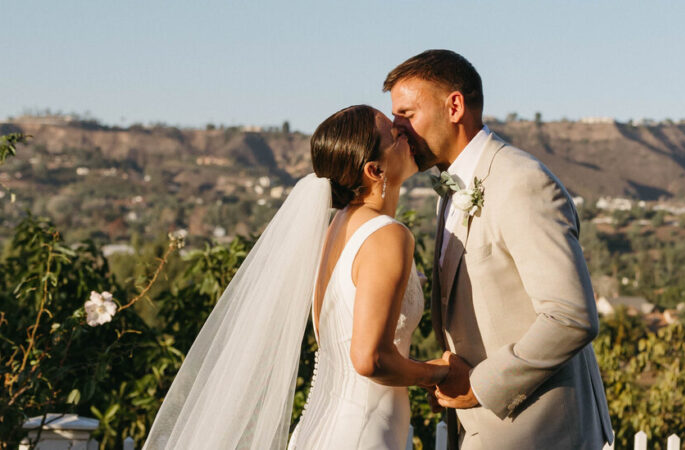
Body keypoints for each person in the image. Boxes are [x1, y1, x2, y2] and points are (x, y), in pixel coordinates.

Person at [143, 105, 448, 450]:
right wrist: (437, 374)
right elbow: (369, 359)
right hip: (362, 435)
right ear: (374, 170)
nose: (404, 132)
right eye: (395, 135)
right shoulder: (387, 235)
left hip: (321, 429)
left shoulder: (337, 228)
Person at [384, 50, 614, 449]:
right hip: (484, 430)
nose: (398, 130)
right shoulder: (450, 192)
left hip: (539, 432)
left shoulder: (521, 182)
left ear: (454, 106)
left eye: (407, 114)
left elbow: (571, 316)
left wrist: (481, 385)